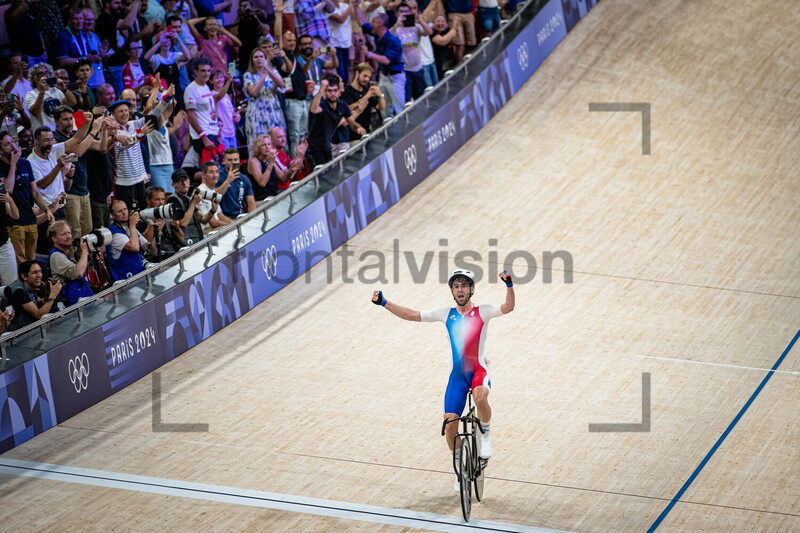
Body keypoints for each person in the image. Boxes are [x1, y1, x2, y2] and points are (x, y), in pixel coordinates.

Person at [371, 269, 515, 490]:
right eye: (456, 286)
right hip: (457, 378)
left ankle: (485, 438)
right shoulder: (445, 314)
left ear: (471, 289)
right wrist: (384, 303)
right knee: (449, 426)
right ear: (452, 291)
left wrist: (509, 285)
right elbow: (411, 314)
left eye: (464, 285)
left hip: (478, 371)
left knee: (480, 396)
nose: (460, 290)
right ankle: (459, 470)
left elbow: (508, 307)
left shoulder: (482, 311)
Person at [0, 132, 54, 263]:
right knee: (20, 262)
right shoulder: (1, 166)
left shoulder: (25, 164)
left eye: (12, 142)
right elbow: (8, 190)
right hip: (13, 223)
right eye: (7, 144)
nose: (12, 146)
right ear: (0, 150)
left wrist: (47, 209)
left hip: (30, 220)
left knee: (32, 261)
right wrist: (13, 164)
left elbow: (35, 192)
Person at [307, 74, 365, 167]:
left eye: (335, 90)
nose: (333, 94)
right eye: (329, 91)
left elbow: (352, 123)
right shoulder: (322, 104)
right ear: (325, 92)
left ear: (339, 91)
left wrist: (359, 128)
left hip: (327, 146)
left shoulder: (342, 105)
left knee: (331, 172)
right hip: (314, 148)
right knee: (322, 174)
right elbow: (314, 109)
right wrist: (321, 89)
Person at [358, 12, 405, 115]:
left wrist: (369, 54)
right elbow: (362, 23)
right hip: (384, 76)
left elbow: (387, 60)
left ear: (380, 24)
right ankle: (388, 128)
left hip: (395, 77)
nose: (371, 23)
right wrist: (355, 6)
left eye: (374, 21)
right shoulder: (376, 33)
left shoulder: (393, 40)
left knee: (399, 107)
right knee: (384, 106)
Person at [243, 49, 287, 148]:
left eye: (261, 56)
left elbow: (281, 84)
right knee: (260, 142)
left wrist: (269, 71)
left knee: (277, 140)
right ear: (252, 60)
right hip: (257, 113)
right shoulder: (248, 75)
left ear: (265, 59)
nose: (259, 59)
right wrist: (264, 75)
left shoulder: (274, 71)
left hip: (273, 111)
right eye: (256, 57)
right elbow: (254, 92)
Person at [107, 199, 156, 280]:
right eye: (119, 211)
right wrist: (132, 225)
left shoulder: (129, 227)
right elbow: (135, 247)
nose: (124, 213)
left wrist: (155, 228)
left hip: (138, 274)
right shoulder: (114, 233)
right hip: (124, 279)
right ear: (113, 215)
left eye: (125, 209)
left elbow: (148, 247)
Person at [47, 220, 93, 305]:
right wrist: (85, 250)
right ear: (54, 239)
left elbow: (82, 274)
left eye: (69, 233)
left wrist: (91, 261)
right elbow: (78, 273)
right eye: (64, 234)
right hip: (69, 305)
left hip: (77, 301)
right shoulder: (56, 256)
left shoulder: (67, 253)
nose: (68, 236)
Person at [7, 260, 62, 331]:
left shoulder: (29, 285)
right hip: (15, 336)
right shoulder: (18, 291)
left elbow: (38, 303)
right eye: (35, 272)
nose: (39, 275)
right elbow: (39, 315)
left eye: (40, 271)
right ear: (24, 276)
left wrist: (47, 295)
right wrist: (53, 295)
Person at [394, 0, 432, 101]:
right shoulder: (396, 30)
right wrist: (397, 24)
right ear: (397, 13)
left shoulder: (416, 27)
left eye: (406, 11)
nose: (404, 14)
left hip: (418, 69)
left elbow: (429, 32)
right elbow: (388, 38)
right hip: (405, 71)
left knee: (421, 98)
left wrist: (420, 20)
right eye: (401, 11)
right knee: (407, 100)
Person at [184, 58, 220, 161]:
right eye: (203, 71)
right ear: (196, 72)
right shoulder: (191, 89)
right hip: (203, 136)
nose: (206, 74)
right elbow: (191, 116)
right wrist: (203, 136)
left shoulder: (206, 87)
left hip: (212, 132)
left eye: (208, 71)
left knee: (215, 169)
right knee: (209, 170)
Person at [166, 168, 209, 248]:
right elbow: (183, 223)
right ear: (173, 185)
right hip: (187, 244)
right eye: (180, 181)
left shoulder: (189, 199)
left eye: (186, 179)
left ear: (189, 181)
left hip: (198, 240)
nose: (184, 183)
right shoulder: (173, 200)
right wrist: (193, 203)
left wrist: (213, 210)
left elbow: (203, 219)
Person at [343, 62, 385, 140]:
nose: (367, 79)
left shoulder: (366, 91)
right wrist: (367, 96)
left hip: (367, 134)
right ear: (357, 73)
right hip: (352, 137)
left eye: (368, 77)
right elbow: (347, 108)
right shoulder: (347, 92)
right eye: (365, 76)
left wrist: (380, 95)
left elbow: (381, 107)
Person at [217, 148, 255, 219]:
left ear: (239, 160)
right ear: (223, 161)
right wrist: (228, 180)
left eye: (235, 160)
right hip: (224, 218)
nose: (233, 162)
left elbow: (251, 204)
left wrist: (251, 219)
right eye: (229, 160)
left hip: (241, 217)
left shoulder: (244, 179)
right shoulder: (218, 177)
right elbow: (215, 197)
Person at [268, 126, 307, 191]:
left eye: (284, 136)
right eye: (279, 137)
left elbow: (297, 169)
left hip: (288, 188)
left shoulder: (282, 153)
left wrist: (300, 155)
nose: (283, 139)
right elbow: (286, 177)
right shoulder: (271, 155)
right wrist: (299, 156)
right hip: (280, 192)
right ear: (271, 139)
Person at [0, 170, 21, 284]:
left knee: (11, 284)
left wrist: (9, 200)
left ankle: (11, 302)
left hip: (3, 244)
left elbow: (15, 215)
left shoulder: (1, 192)